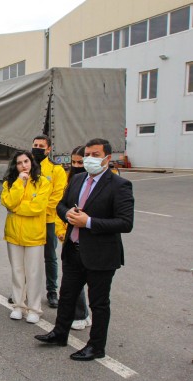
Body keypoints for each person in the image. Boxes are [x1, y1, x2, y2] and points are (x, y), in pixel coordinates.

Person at [35, 138, 134, 361]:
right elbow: (61, 204)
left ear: (108, 158)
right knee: (67, 296)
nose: (89, 159)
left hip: (101, 254)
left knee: (99, 303)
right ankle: (60, 334)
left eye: (95, 155)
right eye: (87, 154)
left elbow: (125, 223)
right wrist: (67, 214)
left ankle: (96, 346)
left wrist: (88, 222)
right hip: (74, 249)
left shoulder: (119, 185)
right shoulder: (78, 179)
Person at [1, 151, 50, 324]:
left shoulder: (43, 182)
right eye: (20, 162)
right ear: (15, 165)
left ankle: (34, 308)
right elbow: (8, 202)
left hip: (34, 235)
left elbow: (38, 207)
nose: (24, 165)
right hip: (14, 234)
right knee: (17, 272)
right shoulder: (10, 183)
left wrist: (15, 209)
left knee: (34, 273)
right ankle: (18, 306)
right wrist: (20, 183)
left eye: (26, 161)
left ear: (32, 162)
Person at [56, 146, 92, 331]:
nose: (77, 166)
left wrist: (88, 221)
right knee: (72, 281)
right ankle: (79, 314)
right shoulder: (73, 180)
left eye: (81, 162)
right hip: (71, 238)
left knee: (87, 281)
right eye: (74, 162)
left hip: (92, 239)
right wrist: (62, 227)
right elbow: (62, 205)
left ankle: (82, 313)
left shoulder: (104, 182)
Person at [31, 135, 67, 309]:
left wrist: (37, 209)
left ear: (48, 149)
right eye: (35, 145)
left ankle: (52, 291)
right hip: (28, 220)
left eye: (41, 146)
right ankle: (22, 290)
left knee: (50, 257)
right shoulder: (26, 166)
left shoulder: (56, 170)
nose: (37, 148)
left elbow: (57, 197)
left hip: (48, 220)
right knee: (26, 258)